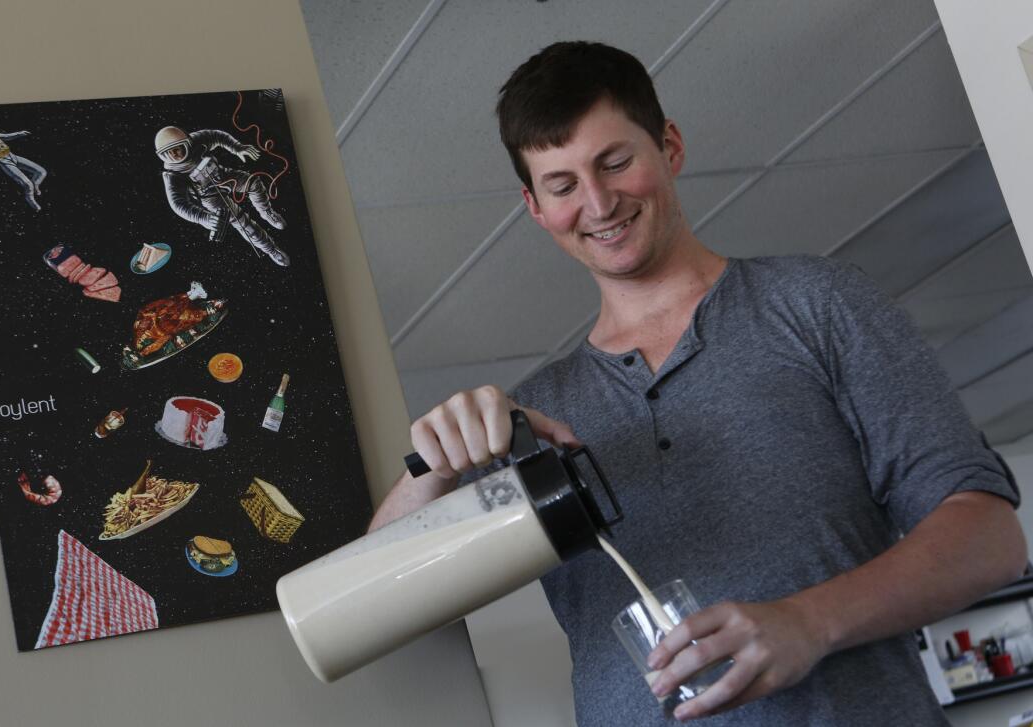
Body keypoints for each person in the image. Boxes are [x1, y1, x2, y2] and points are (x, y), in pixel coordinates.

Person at [369, 41, 1027, 725]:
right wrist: (436, 465)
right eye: (562, 186)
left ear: (670, 147)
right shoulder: (533, 419)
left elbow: (990, 536)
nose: (597, 202)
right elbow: (372, 603)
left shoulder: (816, 303)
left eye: (615, 161)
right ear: (536, 208)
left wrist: (809, 621)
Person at [154, 125, 290, 266]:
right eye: (167, 153)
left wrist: (236, 147)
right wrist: (204, 218)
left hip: (223, 175)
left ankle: (267, 212)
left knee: (253, 183)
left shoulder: (198, 139)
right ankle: (271, 249)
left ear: (187, 143)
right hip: (209, 195)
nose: (174, 155)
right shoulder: (172, 174)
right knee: (241, 222)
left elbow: (218, 135)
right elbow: (178, 204)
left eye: (177, 148)